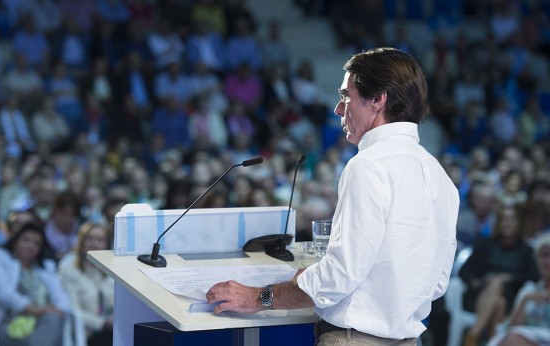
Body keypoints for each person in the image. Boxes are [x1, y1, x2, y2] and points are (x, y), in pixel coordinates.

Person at [206, 47, 460, 345]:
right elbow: (438, 282)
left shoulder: (368, 165)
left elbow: (339, 277)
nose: (339, 109)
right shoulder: (437, 173)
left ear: (378, 99)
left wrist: (258, 297)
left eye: (346, 96)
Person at [0, 222, 72, 346]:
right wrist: (34, 309)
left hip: (42, 322)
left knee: (54, 320)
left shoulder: (45, 267)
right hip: (7, 322)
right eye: (26, 240)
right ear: (15, 240)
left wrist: (58, 309)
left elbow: (61, 297)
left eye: (36, 244)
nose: (31, 246)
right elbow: (3, 293)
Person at [458, 206, 539, 346]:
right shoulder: (485, 244)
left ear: (519, 223)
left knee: (499, 301)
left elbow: (534, 276)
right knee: (496, 291)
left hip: (510, 297)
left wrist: (509, 278)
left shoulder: (526, 250)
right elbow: (464, 271)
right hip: (479, 294)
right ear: (498, 223)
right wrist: (476, 282)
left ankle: (473, 334)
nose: (507, 223)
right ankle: (483, 338)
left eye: (512, 219)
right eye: (503, 220)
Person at [485, 233, 550, 346]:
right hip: (522, 339)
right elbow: (511, 329)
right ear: (537, 259)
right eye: (544, 255)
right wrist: (525, 300)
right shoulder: (529, 290)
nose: (547, 262)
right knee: (511, 338)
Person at [58, 222, 114, 346]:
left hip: (113, 328)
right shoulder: (69, 270)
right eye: (89, 238)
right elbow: (72, 310)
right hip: (86, 334)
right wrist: (103, 323)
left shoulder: (112, 270)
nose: (94, 243)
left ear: (107, 244)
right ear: (81, 242)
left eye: (100, 240)